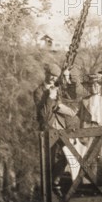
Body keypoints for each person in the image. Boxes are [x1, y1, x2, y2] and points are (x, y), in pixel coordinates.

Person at [33, 63, 81, 194]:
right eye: (51, 75)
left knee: (69, 154)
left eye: (55, 76)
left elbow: (65, 98)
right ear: (46, 74)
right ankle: (49, 188)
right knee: (49, 158)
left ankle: (55, 179)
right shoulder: (38, 92)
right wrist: (50, 97)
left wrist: (71, 111)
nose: (53, 78)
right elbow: (44, 115)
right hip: (48, 128)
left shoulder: (57, 88)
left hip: (60, 126)